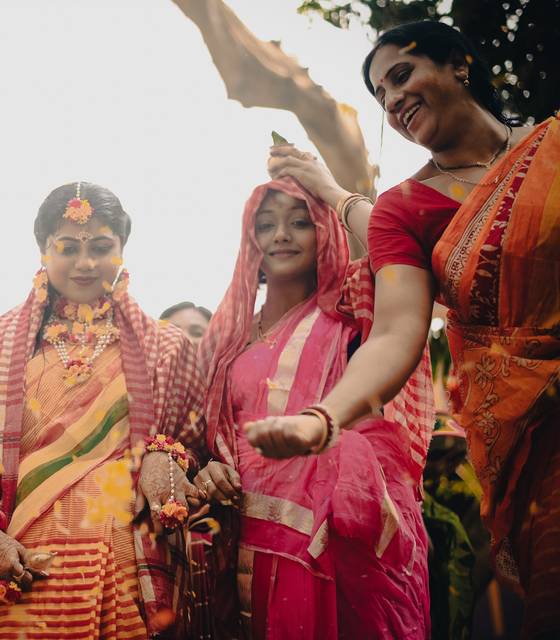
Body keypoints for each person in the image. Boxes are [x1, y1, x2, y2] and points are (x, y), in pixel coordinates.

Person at [243, 20, 559, 638]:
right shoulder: (403, 210)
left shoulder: (551, 145)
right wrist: (323, 415)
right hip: (538, 439)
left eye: (401, 75)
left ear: (460, 65)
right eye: (381, 96)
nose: (393, 101)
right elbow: (395, 331)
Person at [0, 182, 207, 638]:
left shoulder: (166, 346)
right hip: (24, 562)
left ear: (121, 251)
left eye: (101, 247)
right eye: (67, 247)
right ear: (43, 251)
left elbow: (204, 441)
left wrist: (169, 453)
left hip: (130, 563)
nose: (84, 263)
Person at [194, 171, 433, 638]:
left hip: (329, 545)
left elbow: (401, 244)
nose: (281, 235)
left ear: (324, 230)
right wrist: (204, 468)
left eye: (299, 222)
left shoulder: (347, 311)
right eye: (266, 224)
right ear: (250, 242)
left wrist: (329, 191)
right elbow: (202, 434)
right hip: (236, 538)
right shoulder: (226, 340)